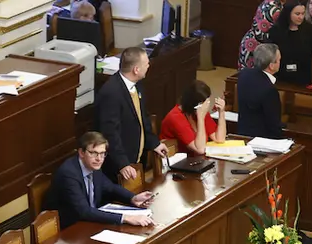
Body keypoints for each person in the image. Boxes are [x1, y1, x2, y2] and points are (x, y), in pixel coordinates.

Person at [46, 132, 156, 230]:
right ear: (81, 153)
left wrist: (133, 198)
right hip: (70, 230)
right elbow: (84, 211)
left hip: (90, 222)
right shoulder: (69, 174)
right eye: (93, 153)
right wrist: (126, 218)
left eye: (102, 153)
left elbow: (110, 187)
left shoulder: (93, 165)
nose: (99, 159)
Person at [97, 46, 168, 181]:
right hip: (120, 168)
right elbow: (110, 133)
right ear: (136, 69)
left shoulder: (137, 85)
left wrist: (154, 143)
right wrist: (122, 163)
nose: (149, 66)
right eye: (146, 63)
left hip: (137, 159)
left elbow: (143, 118)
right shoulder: (111, 93)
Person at [160, 81, 228, 155]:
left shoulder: (200, 111)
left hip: (193, 157)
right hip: (176, 158)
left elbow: (219, 139)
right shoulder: (175, 117)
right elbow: (200, 149)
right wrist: (201, 118)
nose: (207, 106)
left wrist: (221, 112)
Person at [237, 44, 286, 141]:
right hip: (262, 140)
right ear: (271, 66)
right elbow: (273, 124)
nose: (280, 62)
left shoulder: (244, 74)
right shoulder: (269, 90)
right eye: (279, 60)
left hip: (242, 134)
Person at [269, 0, 312, 85]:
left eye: (303, 13)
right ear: (288, 14)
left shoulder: (310, 30)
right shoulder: (276, 30)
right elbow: (270, 56)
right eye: (297, 14)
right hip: (281, 79)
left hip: (303, 79)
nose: (301, 17)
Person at [238, 1, 283, 70]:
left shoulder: (273, 3)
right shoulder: (273, 7)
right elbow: (261, 35)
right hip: (255, 47)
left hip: (252, 41)